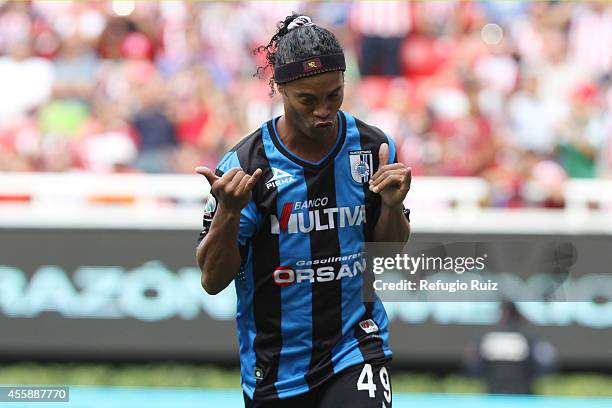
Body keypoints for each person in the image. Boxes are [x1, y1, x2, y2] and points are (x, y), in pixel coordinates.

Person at [196, 14, 411, 408]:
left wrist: (393, 207)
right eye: (308, 100)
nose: (323, 111)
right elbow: (212, 279)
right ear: (279, 89)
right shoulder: (245, 164)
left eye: (334, 95)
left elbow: (388, 253)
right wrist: (227, 213)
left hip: (356, 345)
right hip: (277, 365)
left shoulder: (372, 147)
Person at [464, 301, 558, 394]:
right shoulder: (529, 336)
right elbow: (546, 366)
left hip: (495, 396)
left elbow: (473, 366)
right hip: (523, 396)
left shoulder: (486, 336)